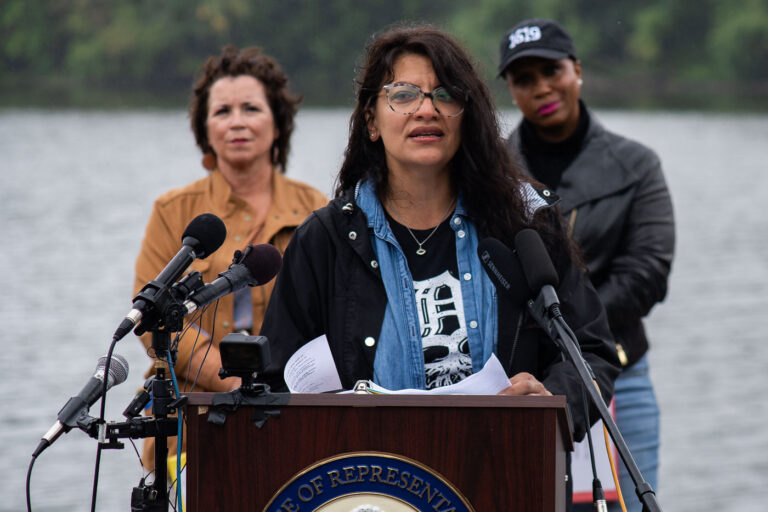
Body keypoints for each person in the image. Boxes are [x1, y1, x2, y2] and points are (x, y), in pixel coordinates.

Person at [260, 23, 619, 455]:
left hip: (504, 470)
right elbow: (274, 382)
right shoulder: (327, 239)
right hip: (370, 480)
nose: (426, 110)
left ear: (467, 117)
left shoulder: (524, 223)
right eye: (404, 94)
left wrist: (551, 403)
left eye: (445, 94)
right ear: (371, 120)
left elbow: (592, 352)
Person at [498, 19, 675, 511]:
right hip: (525, 387)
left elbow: (648, 274)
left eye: (551, 70)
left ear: (576, 70)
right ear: (511, 90)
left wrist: (575, 330)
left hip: (622, 370)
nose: (542, 87)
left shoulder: (636, 165)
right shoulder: (492, 172)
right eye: (524, 79)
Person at [133, 45, 328, 470]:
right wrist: (234, 379)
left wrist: (273, 390)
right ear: (205, 129)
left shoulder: (318, 208)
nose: (237, 121)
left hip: (290, 413)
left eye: (251, 108)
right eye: (222, 111)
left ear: (278, 123)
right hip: (189, 422)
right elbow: (153, 321)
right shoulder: (172, 210)